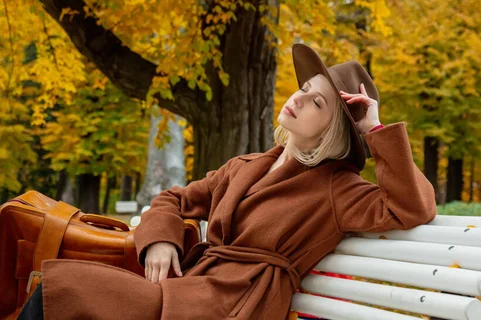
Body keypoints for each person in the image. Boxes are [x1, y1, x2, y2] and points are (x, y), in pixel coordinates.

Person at [17, 43, 437, 320]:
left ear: (333, 130)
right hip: (190, 289)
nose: (298, 99)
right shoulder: (245, 165)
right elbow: (172, 198)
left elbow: (410, 206)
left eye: (317, 102)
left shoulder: (337, 188)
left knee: (65, 287)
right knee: (59, 288)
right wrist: (160, 239)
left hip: (236, 305)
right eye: (304, 88)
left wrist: (374, 128)